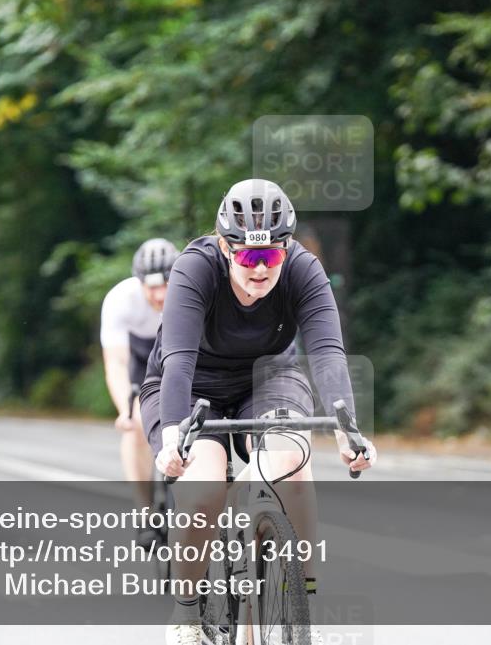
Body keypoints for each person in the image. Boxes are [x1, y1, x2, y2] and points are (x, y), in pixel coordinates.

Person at [138, 179, 376, 645]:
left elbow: (327, 353)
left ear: (286, 249)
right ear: (226, 248)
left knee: (292, 467)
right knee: (203, 489)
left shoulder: (303, 270)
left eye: (271, 254)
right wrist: (171, 438)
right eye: (249, 256)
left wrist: (348, 431)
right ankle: (186, 613)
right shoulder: (194, 268)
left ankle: (303, 605)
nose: (261, 267)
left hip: (268, 378)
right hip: (193, 385)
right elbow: (178, 362)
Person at [100, 237, 179, 545]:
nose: (159, 295)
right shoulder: (121, 299)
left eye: (166, 285)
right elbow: (116, 363)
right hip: (139, 361)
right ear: (139, 282)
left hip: (177, 355)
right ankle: (145, 512)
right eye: (151, 287)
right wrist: (126, 409)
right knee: (136, 425)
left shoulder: (190, 292)